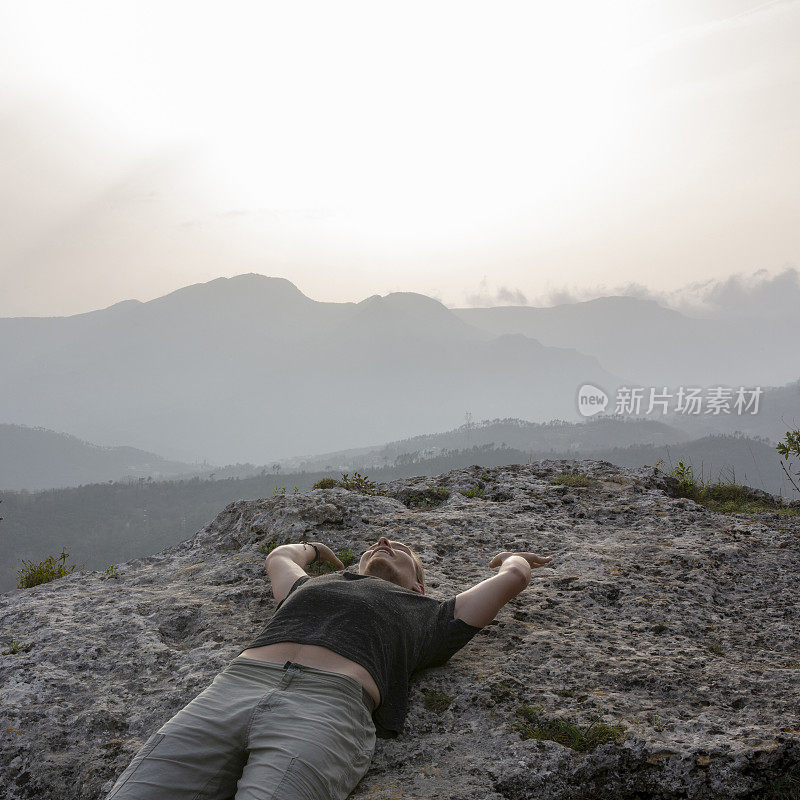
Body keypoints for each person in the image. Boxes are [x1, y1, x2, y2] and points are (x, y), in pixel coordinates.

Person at [104, 535, 553, 800]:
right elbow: (279, 558)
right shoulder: (311, 587)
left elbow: (511, 581)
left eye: (399, 547)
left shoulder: (431, 613)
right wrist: (312, 548)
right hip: (233, 688)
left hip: (327, 708)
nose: (384, 542)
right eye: (377, 543)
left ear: (418, 584)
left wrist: (512, 560)